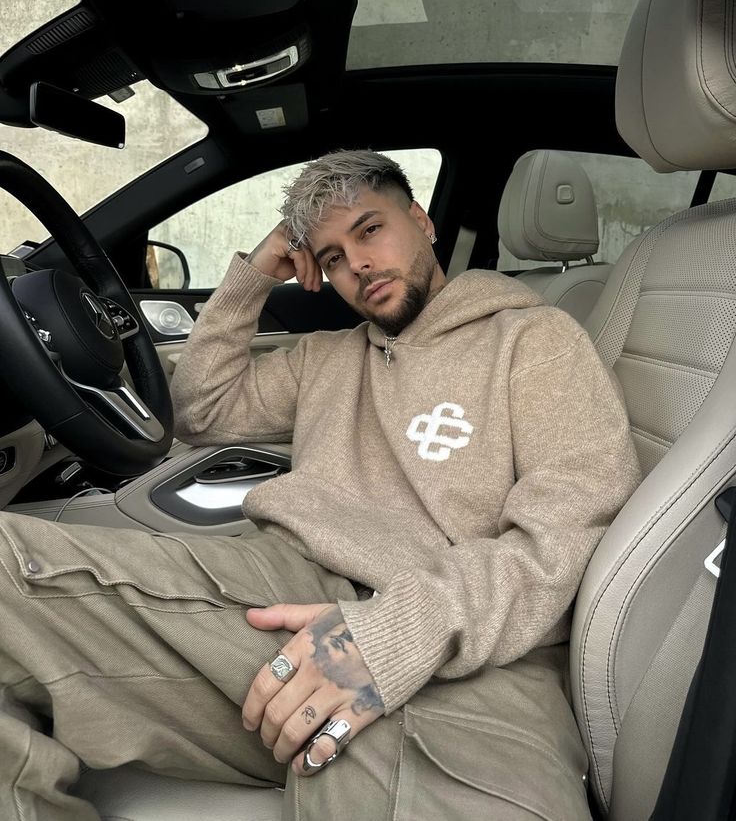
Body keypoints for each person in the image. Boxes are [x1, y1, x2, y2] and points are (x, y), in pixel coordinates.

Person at [0, 149, 641, 821]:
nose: (356, 265)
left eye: (370, 230)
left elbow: (569, 533)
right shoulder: (329, 358)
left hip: (473, 641)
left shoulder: (532, 339)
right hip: (276, 594)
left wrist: (395, 631)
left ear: (421, 220)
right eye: (331, 256)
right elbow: (199, 408)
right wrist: (255, 274)